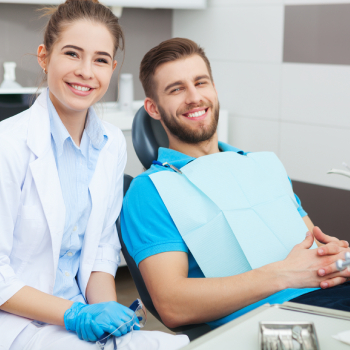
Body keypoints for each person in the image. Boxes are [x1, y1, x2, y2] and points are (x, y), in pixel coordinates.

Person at [121, 37, 350, 331]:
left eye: (201, 83)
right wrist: (284, 275)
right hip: (280, 320)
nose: (194, 97)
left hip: (335, 296)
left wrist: (341, 260)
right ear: (153, 108)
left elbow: (314, 249)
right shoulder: (150, 190)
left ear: (214, 90)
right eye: (176, 89)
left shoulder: (264, 165)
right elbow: (172, 305)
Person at [0, 3, 189, 349]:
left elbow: (103, 246)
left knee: (174, 345)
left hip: (77, 316)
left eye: (100, 59)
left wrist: (105, 312)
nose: (86, 71)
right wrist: (75, 315)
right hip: (18, 322)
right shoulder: (7, 146)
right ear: (44, 57)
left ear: (113, 68)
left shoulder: (111, 143)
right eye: (73, 54)